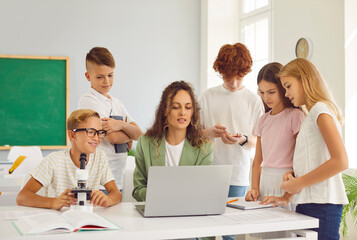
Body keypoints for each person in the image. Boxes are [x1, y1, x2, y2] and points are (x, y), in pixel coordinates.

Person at [262, 58, 348, 240]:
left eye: (288, 86)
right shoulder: (311, 115)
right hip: (308, 202)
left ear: (304, 80)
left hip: (322, 204)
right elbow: (314, 160)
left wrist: (298, 183)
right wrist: (288, 193)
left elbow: (340, 161)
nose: (286, 94)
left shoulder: (320, 111)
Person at [244, 62, 305, 239]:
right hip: (265, 182)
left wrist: (288, 193)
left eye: (271, 92)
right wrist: (254, 188)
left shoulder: (295, 116)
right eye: (261, 92)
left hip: (286, 182)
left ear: (283, 88)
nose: (266, 98)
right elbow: (258, 161)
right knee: (265, 234)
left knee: (284, 234)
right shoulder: (263, 120)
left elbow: (300, 159)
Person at [16, 109, 122, 210]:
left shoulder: (100, 157)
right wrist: (53, 202)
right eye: (90, 131)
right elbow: (22, 197)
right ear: (72, 135)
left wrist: (108, 199)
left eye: (100, 133)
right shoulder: (54, 160)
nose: (97, 138)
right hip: (58, 220)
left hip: (86, 218)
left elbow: (116, 193)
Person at [199, 43, 264, 198]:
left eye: (239, 77)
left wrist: (243, 139)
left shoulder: (253, 101)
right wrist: (210, 132)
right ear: (221, 72)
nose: (234, 83)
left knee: (234, 220)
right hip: (208, 173)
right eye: (228, 77)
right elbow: (192, 134)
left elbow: (261, 141)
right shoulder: (206, 97)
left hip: (238, 176)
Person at [132, 81, 213, 202]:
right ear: (165, 110)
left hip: (189, 213)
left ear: (193, 112)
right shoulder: (145, 143)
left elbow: (202, 190)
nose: (183, 112)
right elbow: (138, 189)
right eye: (176, 107)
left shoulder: (204, 148)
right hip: (156, 212)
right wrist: (163, 197)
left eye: (188, 107)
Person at [78, 47, 143, 190]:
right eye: (100, 77)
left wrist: (120, 125)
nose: (106, 81)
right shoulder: (89, 101)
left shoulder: (117, 102)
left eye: (110, 75)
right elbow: (112, 137)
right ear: (88, 76)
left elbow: (139, 134)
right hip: (98, 184)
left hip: (117, 180)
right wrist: (128, 135)